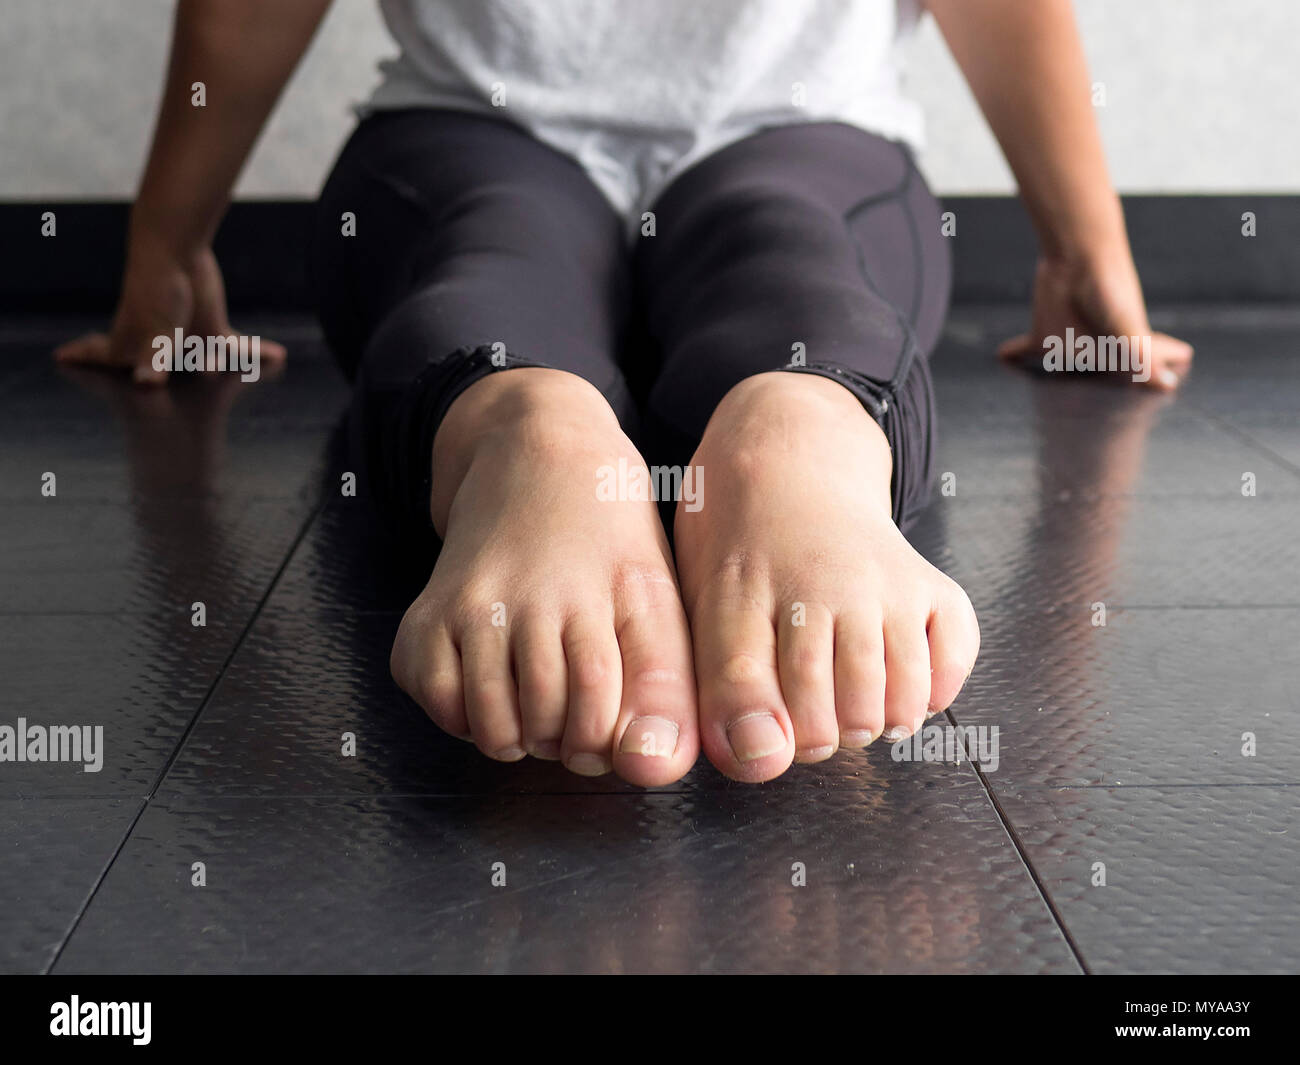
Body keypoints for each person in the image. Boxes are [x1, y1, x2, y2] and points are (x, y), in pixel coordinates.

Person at [55, 0, 1193, 787]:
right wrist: (1082, 253)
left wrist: (165, 248)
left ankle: (527, 426)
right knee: (794, 259)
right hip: (725, 134)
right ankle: (787, 425)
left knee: (487, 261)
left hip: (510, 129)